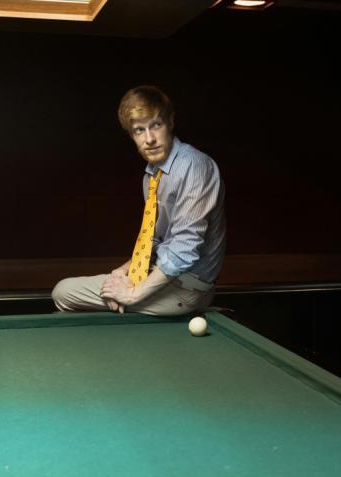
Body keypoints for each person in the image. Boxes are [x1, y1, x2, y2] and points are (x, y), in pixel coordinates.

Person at [53, 86, 226, 316]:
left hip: (187, 289)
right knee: (74, 290)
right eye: (139, 130)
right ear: (131, 135)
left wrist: (131, 294)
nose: (150, 139)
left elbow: (184, 250)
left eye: (156, 125)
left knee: (64, 293)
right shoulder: (152, 175)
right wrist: (125, 271)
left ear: (170, 123)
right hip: (162, 276)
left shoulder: (194, 165)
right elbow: (155, 241)